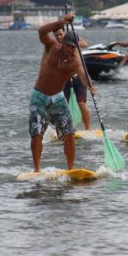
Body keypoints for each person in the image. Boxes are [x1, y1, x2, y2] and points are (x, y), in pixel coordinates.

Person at [30, 14, 93, 172]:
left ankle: (70, 168)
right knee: (37, 133)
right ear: (63, 43)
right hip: (39, 96)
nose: (71, 50)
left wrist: (90, 85)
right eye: (69, 46)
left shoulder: (75, 60)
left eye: (74, 47)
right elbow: (41, 31)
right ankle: (37, 169)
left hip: (58, 98)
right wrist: (61, 22)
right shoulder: (52, 46)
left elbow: (82, 75)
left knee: (69, 133)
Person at [54, 27, 92, 131]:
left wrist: (73, 44)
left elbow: (85, 44)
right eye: (56, 35)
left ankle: (88, 129)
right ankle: (63, 129)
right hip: (65, 78)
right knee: (62, 105)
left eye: (60, 34)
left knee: (81, 104)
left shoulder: (72, 38)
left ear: (64, 33)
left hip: (79, 77)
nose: (59, 37)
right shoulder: (55, 47)